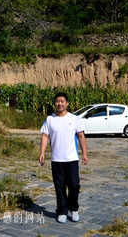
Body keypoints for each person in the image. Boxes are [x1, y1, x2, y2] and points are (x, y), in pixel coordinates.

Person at [39, 92, 88, 224]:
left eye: (62, 101)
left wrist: (84, 153)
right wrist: (42, 153)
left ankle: (74, 209)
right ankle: (61, 211)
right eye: (57, 101)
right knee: (59, 187)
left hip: (71, 159)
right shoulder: (50, 119)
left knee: (74, 185)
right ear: (54, 103)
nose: (59, 103)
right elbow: (44, 136)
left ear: (66, 103)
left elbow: (81, 135)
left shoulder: (74, 119)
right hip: (56, 160)